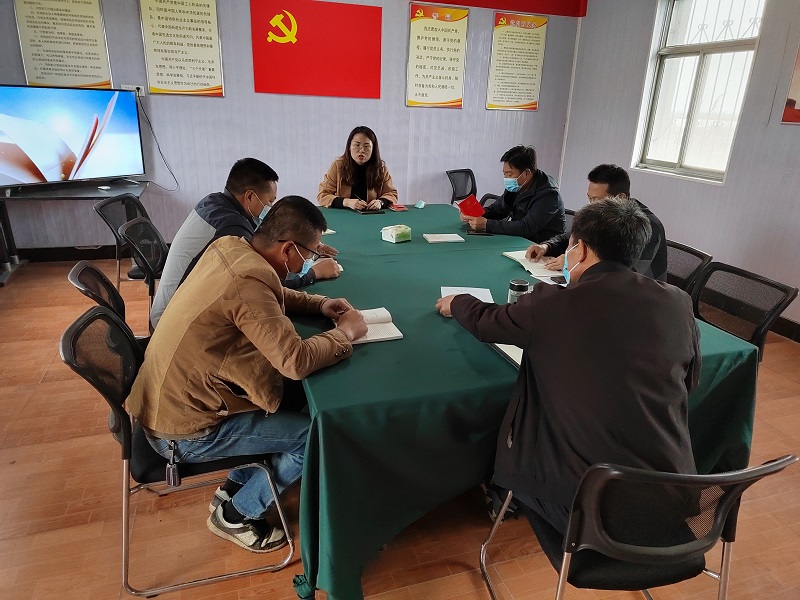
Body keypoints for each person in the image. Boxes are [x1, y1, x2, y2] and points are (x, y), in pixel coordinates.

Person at [436, 198, 699, 535]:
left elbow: (488, 321)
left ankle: (503, 495)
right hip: (672, 497)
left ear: (582, 250)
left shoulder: (553, 303)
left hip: (587, 507)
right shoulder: (678, 301)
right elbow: (690, 383)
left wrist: (459, 301)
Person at [127, 196, 368, 553]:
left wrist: (319, 304)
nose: (310, 261)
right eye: (310, 253)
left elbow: (270, 294)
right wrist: (344, 334)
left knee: (290, 401)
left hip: (171, 403)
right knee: (314, 436)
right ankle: (237, 514)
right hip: (184, 433)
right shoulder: (248, 280)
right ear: (288, 250)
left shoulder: (231, 248)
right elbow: (295, 361)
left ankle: (236, 485)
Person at [150, 158, 340, 328]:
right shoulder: (231, 229)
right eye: (269, 201)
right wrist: (314, 273)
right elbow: (263, 279)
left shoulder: (214, 202)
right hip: (173, 322)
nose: (270, 208)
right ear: (249, 197)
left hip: (171, 309)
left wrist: (305, 246)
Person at [526, 164, 667, 281]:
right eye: (590, 199)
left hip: (641, 295)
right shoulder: (602, 216)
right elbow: (573, 236)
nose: (592, 205)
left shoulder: (646, 226)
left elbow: (626, 274)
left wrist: (574, 261)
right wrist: (546, 246)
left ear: (620, 198)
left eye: (597, 200)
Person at [461, 145, 564, 242]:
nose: (506, 179)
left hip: (540, 247)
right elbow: (498, 209)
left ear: (527, 173)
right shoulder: (517, 186)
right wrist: (475, 213)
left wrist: (487, 224)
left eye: (509, 174)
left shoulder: (549, 194)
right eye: (504, 174)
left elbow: (527, 227)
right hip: (518, 240)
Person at [318, 126, 398, 210]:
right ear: (349, 147)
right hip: (344, 214)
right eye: (357, 145)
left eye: (366, 146)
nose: (362, 150)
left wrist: (380, 202)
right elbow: (323, 195)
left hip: (371, 215)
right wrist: (347, 202)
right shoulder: (338, 166)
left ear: (373, 149)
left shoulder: (380, 168)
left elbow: (391, 194)